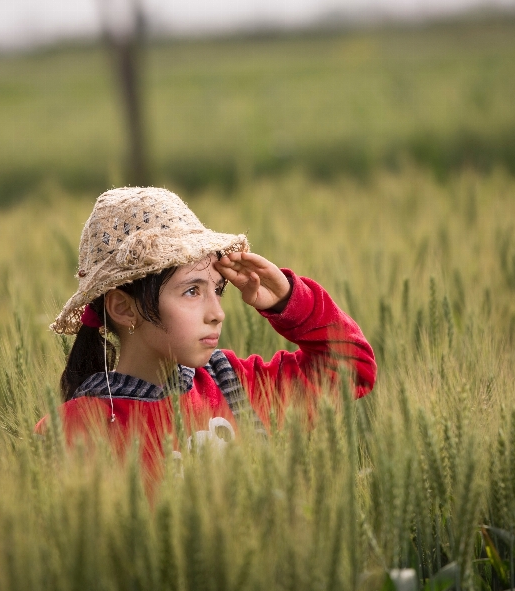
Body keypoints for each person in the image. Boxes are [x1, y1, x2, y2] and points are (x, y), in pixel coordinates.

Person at [35, 187, 376, 486]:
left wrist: (289, 300)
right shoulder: (66, 433)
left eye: (217, 289)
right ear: (124, 309)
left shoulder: (240, 388)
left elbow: (353, 370)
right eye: (192, 291)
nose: (217, 312)